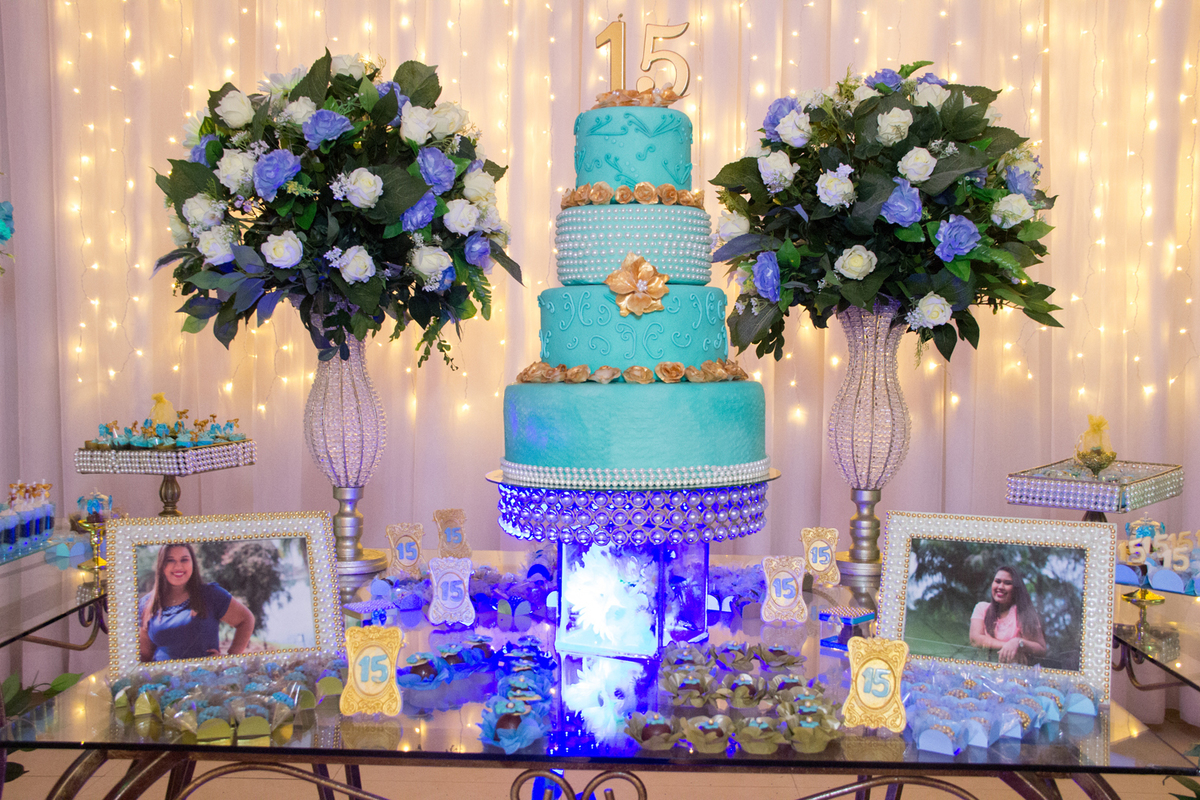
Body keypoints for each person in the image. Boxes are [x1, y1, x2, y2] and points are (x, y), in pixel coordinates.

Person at [138, 543, 255, 662]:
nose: (178, 566)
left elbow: (246, 620)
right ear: (161, 565)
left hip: (204, 673)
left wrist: (230, 660)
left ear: (193, 563)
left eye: (184, 560)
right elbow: (145, 655)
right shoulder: (146, 604)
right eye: (170, 560)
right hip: (164, 674)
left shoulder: (211, 595)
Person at [968, 565, 1048, 664]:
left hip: (1015, 672)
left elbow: (1041, 649)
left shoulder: (1024, 614)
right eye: (997, 581)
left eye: (1007, 583)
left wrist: (1018, 642)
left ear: (1016, 589)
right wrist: (1009, 646)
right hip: (982, 670)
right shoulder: (982, 608)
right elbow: (975, 640)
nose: (1000, 587)